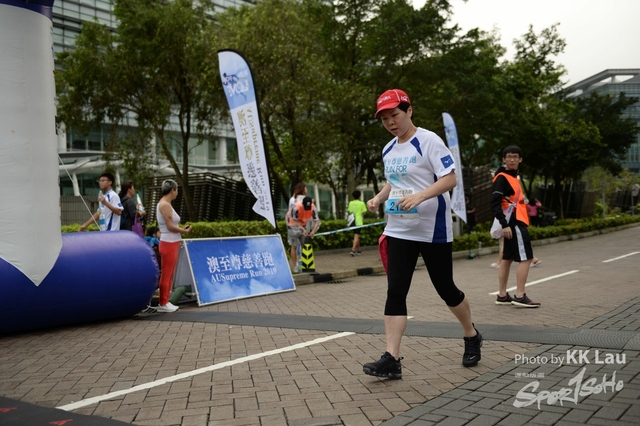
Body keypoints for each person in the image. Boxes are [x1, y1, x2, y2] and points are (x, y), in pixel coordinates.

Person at [363, 89, 482, 379]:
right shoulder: (388, 149)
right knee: (396, 290)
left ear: (409, 111)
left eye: (395, 115)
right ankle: (392, 358)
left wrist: (421, 196)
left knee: (446, 289)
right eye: (384, 119)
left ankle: (471, 334)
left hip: (432, 229)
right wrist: (378, 198)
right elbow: (393, 182)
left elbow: (450, 179)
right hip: (399, 228)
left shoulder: (429, 141)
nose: (390, 122)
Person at [491, 146, 541, 307]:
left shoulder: (513, 177)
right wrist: (505, 224)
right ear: (504, 159)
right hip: (514, 222)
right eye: (509, 156)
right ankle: (520, 296)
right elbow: (494, 203)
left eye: (515, 157)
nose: (512, 159)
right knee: (526, 257)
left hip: (515, 221)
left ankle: (502, 295)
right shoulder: (502, 178)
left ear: (520, 159)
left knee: (507, 258)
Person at [156, 179, 191, 313]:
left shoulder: (166, 204)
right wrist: (184, 231)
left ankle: (165, 301)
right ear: (173, 190)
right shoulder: (165, 204)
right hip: (168, 242)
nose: (177, 193)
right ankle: (163, 303)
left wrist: (180, 229)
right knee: (167, 273)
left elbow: (171, 225)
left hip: (172, 241)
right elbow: (170, 227)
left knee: (170, 273)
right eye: (177, 190)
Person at [288, 196, 320, 273]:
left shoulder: (313, 208)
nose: (307, 209)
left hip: (304, 225)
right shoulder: (296, 208)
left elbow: (317, 221)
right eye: (305, 207)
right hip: (293, 226)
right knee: (294, 246)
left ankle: (305, 264)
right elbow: (294, 221)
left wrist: (313, 231)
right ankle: (295, 266)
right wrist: (302, 229)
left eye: (308, 207)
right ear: (302, 204)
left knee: (304, 245)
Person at [286, 183, 308, 272]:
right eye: (305, 188)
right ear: (302, 189)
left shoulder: (294, 199)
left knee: (297, 246)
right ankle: (297, 265)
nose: (306, 189)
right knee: (297, 246)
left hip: (296, 225)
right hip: (296, 225)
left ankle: (297, 265)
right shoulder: (295, 200)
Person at [348, 190, 367, 256]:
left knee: (356, 235)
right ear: (359, 196)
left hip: (352, 222)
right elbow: (364, 212)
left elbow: (349, 211)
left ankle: (359, 250)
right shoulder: (361, 203)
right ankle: (353, 250)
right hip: (358, 222)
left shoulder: (350, 203)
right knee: (356, 235)